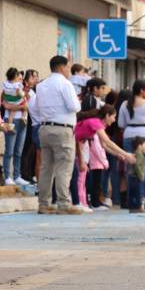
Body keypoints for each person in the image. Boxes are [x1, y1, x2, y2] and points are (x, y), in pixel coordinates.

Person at [30, 56, 82, 215]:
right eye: (68, 67)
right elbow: (74, 106)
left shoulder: (41, 85)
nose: (69, 70)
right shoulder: (65, 84)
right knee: (64, 166)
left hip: (44, 128)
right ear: (62, 67)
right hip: (62, 129)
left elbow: (36, 108)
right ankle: (63, 203)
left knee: (46, 167)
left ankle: (44, 203)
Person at [74, 105, 134, 211]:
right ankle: (79, 203)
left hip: (78, 145)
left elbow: (104, 146)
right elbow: (108, 142)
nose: (114, 120)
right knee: (80, 178)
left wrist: (118, 154)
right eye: (113, 117)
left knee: (81, 178)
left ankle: (82, 203)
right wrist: (126, 154)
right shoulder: (96, 123)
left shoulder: (98, 124)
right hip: (75, 145)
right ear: (107, 115)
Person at [118, 80, 145, 209]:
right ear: (141, 90)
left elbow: (120, 124)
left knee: (131, 169)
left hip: (129, 135)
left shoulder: (124, 104)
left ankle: (133, 199)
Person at [2, 67, 30, 186]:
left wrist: (23, 107)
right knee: (9, 150)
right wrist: (21, 107)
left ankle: (17, 175)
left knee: (19, 150)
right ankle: (7, 176)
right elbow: (5, 105)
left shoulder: (19, 86)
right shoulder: (4, 87)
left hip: (22, 121)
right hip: (10, 120)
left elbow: (26, 104)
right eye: (18, 75)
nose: (20, 77)